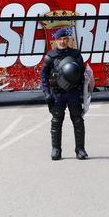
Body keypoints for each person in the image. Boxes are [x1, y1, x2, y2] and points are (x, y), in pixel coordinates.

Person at [40, 28, 87, 160]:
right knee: (56, 122)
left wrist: (83, 93)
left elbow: (83, 75)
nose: (62, 41)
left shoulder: (76, 55)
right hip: (57, 94)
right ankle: (56, 150)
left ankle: (80, 149)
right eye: (60, 39)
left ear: (68, 40)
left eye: (64, 39)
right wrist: (46, 93)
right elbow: (43, 76)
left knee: (78, 121)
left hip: (73, 93)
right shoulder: (50, 56)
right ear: (56, 41)